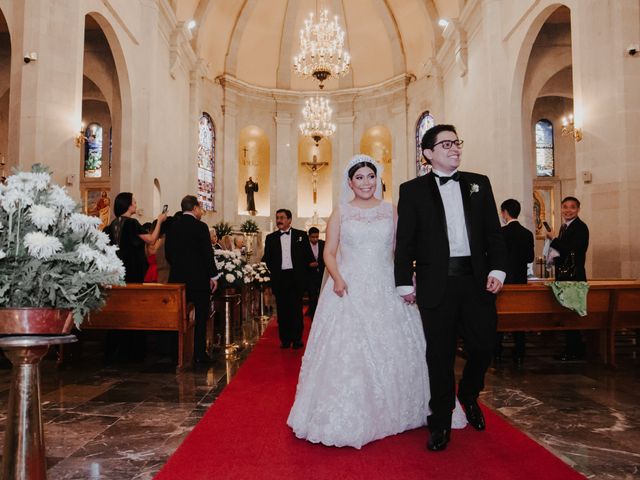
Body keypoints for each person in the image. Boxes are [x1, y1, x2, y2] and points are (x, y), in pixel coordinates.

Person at [287, 155, 467, 449]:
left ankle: (406, 407)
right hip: (350, 287)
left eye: (371, 176)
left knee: (400, 347)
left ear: (378, 179)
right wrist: (338, 278)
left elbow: (402, 249)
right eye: (359, 177)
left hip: (386, 285)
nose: (366, 182)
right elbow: (328, 253)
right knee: (350, 352)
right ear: (350, 182)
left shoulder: (390, 211)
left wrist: (409, 277)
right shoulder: (341, 212)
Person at [395, 124, 507, 452]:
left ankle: (469, 395)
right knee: (439, 355)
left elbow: (493, 234)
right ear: (428, 154)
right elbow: (405, 242)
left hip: (476, 282)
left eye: (456, 142)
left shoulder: (478, 184)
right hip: (436, 284)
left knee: (484, 345)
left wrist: (498, 268)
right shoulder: (412, 190)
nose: (455, 148)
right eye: (446, 144)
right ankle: (441, 419)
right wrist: (403, 281)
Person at [104, 192, 166, 361]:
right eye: (134, 202)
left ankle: (114, 350)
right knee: (133, 310)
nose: (136, 204)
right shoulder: (132, 223)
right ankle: (133, 352)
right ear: (127, 205)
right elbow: (152, 240)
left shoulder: (110, 226)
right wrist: (159, 220)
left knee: (118, 309)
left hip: (115, 272)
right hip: (132, 270)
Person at [165, 195, 219, 363]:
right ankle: (199, 355)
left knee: (178, 317)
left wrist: (179, 267)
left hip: (178, 279)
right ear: (195, 208)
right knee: (201, 318)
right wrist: (213, 275)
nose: (201, 211)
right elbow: (206, 254)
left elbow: (168, 253)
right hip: (198, 280)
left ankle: (176, 354)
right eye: (200, 208)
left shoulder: (173, 227)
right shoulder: (201, 227)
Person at [262, 208, 314, 349]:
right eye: (277, 217)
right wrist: (276, 271)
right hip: (280, 278)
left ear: (289, 220)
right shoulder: (271, 238)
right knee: (283, 310)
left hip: (295, 278)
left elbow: (308, 257)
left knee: (296, 310)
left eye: (282, 217)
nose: (279, 220)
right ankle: (285, 339)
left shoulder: (301, 235)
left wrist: (302, 274)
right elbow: (267, 259)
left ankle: (297, 339)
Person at [546, 196, 589, 360]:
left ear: (578, 209)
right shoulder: (565, 227)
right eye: (565, 207)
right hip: (565, 276)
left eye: (572, 207)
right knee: (566, 314)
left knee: (571, 316)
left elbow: (571, 250)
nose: (568, 210)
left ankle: (574, 350)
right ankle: (572, 348)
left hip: (574, 277)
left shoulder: (580, 227)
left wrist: (553, 240)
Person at [495, 199, 534, 366]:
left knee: (499, 319)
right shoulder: (527, 234)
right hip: (520, 282)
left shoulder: (500, 233)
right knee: (519, 319)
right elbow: (529, 258)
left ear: (504, 213)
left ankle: (496, 353)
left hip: (503, 283)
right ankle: (519, 354)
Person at [305, 227, 325, 319]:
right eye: (313, 237)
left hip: (321, 274)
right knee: (312, 296)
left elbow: (326, 256)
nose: (315, 239)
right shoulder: (304, 245)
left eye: (317, 237)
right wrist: (308, 265)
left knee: (322, 295)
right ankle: (313, 315)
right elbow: (300, 259)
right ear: (309, 236)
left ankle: (321, 312)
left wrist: (319, 264)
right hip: (310, 276)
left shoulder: (323, 244)